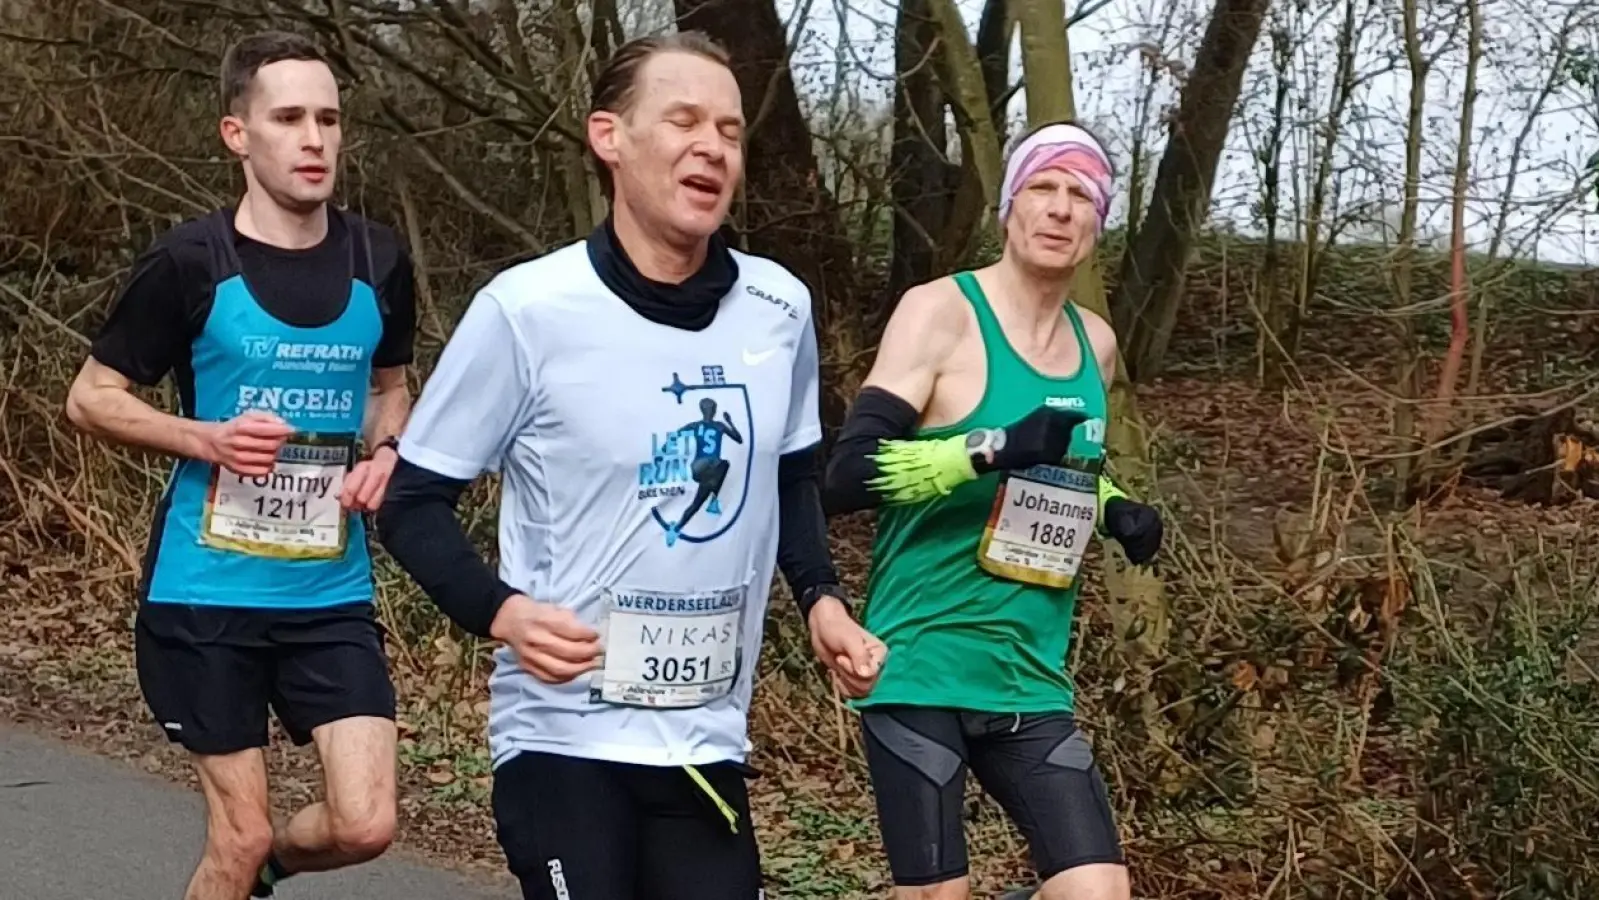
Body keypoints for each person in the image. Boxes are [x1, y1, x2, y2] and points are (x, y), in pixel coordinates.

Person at [373, 31, 885, 900]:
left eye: (728, 130)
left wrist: (821, 598)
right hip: (563, 738)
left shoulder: (778, 307)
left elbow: (791, 473)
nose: (712, 147)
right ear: (608, 137)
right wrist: (501, 613)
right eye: (683, 121)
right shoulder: (527, 311)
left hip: (703, 740)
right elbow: (411, 503)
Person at [63, 30, 415, 900]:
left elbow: (390, 389)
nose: (314, 139)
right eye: (288, 118)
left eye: (328, 119)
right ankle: (247, 861)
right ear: (237, 134)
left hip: (329, 591)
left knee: (366, 823)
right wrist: (206, 439)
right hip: (205, 593)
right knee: (238, 833)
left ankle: (265, 873)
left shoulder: (378, 259)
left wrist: (387, 451)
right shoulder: (189, 262)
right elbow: (91, 397)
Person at [821, 121, 1166, 900]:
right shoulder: (939, 312)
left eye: (1080, 195)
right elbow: (847, 474)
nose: (1059, 208)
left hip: (1027, 674)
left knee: (1096, 892)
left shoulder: (1096, 344)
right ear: (1009, 207)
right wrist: (987, 447)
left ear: (1098, 222)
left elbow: (1063, 468)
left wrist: (1114, 508)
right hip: (921, 660)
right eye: (1042, 187)